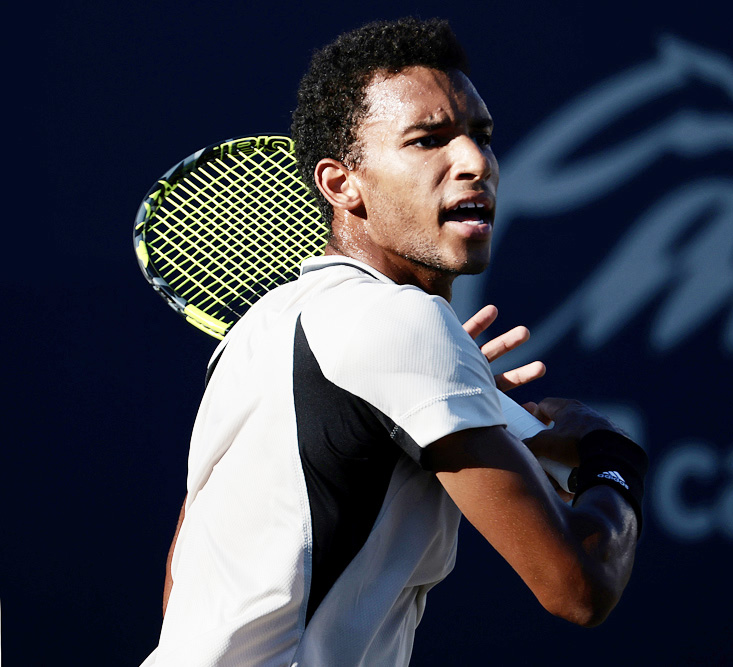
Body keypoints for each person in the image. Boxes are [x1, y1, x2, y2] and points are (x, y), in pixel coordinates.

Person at [142, 17, 647, 666]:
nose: (475, 163)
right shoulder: (400, 325)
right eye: (427, 140)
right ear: (340, 183)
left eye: (481, 137)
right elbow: (579, 587)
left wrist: (453, 391)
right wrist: (612, 457)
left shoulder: (262, 328)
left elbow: (188, 597)